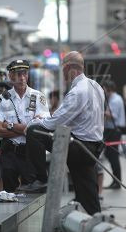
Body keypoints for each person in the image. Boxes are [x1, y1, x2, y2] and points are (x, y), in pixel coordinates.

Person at [21, 51, 105, 215]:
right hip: (93, 146)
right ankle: (94, 220)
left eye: (63, 68)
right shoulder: (96, 86)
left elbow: (54, 123)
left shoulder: (77, 92)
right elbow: (75, 117)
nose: (63, 73)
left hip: (80, 147)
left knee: (34, 132)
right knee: (87, 190)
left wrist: (35, 122)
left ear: (68, 68)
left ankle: (40, 180)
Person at [0, 59, 50, 192]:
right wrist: (27, 129)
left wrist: (9, 125)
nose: (22, 78)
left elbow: (42, 128)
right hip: (10, 153)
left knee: (33, 196)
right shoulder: (2, 99)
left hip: (31, 154)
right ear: (11, 76)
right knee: (9, 193)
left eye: (25, 73)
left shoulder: (38, 97)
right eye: (18, 74)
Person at [102, 80, 125, 189]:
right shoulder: (113, 99)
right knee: (110, 155)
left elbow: (113, 115)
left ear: (108, 88)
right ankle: (116, 180)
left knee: (113, 156)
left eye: (104, 88)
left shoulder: (115, 100)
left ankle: (117, 181)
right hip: (110, 130)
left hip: (114, 131)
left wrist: (100, 112)